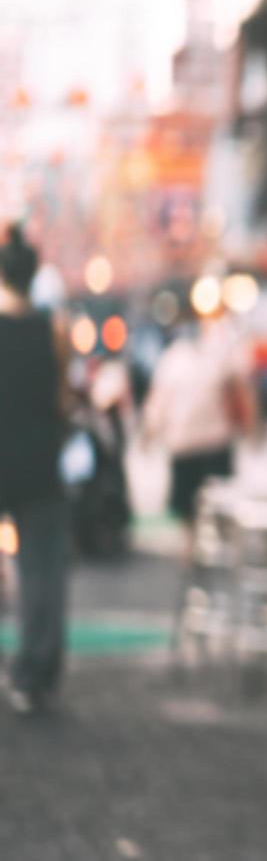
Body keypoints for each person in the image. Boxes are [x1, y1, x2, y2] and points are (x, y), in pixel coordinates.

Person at [0, 222, 70, 715]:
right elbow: (64, 398)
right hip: (41, 461)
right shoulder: (54, 328)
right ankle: (37, 667)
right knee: (43, 569)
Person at [143, 308, 256, 552]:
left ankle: (196, 558)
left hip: (192, 444)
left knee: (196, 514)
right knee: (212, 512)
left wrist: (149, 434)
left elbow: (158, 404)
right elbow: (241, 393)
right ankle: (206, 557)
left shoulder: (175, 358)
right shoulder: (209, 355)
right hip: (209, 445)